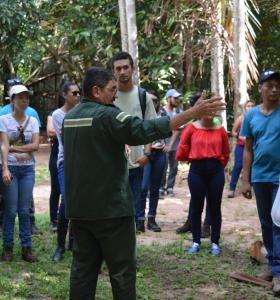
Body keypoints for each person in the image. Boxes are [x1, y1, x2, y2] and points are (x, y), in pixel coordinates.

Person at [64, 66, 225, 299]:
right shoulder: (107, 115)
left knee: (82, 270)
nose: (116, 95)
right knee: (122, 273)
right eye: (112, 89)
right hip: (111, 212)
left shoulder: (70, 118)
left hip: (79, 210)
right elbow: (143, 129)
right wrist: (192, 112)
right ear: (97, 91)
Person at [241, 69, 280, 297]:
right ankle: (274, 263)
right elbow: (247, 148)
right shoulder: (251, 115)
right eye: (269, 85)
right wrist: (245, 180)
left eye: (277, 85)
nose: (274, 89)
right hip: (260, 177)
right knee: (266, 222)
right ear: (260, 88)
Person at [176, 93, 229, 256]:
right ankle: (196, 241)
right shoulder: (191, 127)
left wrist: (217, 165)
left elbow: (226, 152)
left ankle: (215, 242)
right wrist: (193, 161)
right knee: (196, 206)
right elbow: (182, 150)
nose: (209, 110)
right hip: (197, 170)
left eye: (212, 106)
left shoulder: (219, 127)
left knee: (215, 207)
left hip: (216, 170)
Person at [112, 51, 157, 233]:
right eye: (118, 68)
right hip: (113, 163)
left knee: (135, 209)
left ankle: (128, 253)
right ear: (113, 71)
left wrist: (147, 153)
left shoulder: (143, 96)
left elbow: (150, 127)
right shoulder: (109, 96)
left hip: (137, 163)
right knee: (115, 209)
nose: (122, 72)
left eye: (125, 67)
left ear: (133, 69)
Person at [0, 84, 39, 262]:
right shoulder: (4, 120)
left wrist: (14, 147)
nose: (24, 101)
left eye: (26, 97)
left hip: (28, 169)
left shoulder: (33, 120)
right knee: (11, 209)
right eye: (20, 97)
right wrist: (5, 167)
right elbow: (3, 145)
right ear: (12, 100)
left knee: (24, 210)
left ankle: (26, 249)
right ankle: (7, 248)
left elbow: (35, 146)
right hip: (11, 168)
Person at [51, 81, 81, 261]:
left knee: (79, 202)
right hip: (66, 162)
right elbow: (67, 139)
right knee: (66, 202)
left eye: (79, 93)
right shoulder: (58, 115)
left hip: (83, 164)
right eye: (74, 93)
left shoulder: (83, 112)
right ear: (64, 95)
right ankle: (60, 245)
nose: (78, 96)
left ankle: (73, 240)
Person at [139, 90, 166, 232]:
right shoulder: (140, 114)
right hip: (146, 154)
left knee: (155, 189)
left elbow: (170, 130)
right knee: (143, 188)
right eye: (149, 100)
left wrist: (166, 145)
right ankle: (139, 220)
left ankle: (151, 219)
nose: (152, 103)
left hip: (160, 154)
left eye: (155, 100)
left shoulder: (163, 115)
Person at [228, 100, 255, 198]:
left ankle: (250, 188)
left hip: (253, 147)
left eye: (252, 106)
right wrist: (241, 138)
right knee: (238, 166)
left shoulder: (257, 118)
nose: (250, 107)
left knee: (252, 167)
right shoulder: (241, 118)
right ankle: (232, 189)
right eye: (248, 106)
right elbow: (233, 132)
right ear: (245, 107)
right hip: (241, 146)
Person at [160, 88, 183, 198]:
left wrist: (171, 145)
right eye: (175, 98)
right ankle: (161, 187)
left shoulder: (179, 112)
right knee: (163, 167)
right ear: (169, 98)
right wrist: (165, 144)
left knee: (173, 167)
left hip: (175, 145)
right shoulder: (161, 111)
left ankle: (170, 187)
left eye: (178, 98)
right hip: (163, 145)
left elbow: (179, 130)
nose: (177, 100)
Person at [47, 111, 60, 232]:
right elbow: (50, 132)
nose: (77, 96)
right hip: (56, 155)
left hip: (74, 155)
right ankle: (54, 220)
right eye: (74, 93)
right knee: (56, 188)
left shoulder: (79, 111)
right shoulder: (54, 114)